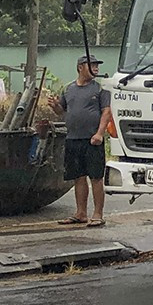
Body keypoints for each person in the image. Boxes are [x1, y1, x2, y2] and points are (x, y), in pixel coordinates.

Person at [48, 55, 111, 227]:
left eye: (97, 65)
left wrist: (99, 134)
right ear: (80, 67)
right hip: (73, 138)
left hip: (92, 139)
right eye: (92, 65)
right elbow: (61, 111)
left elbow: (106, 112)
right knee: (78, 177)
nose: (96, 68)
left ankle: (98, 214)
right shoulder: (68, 89)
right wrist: (55, 105)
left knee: (96, 177)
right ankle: (80, 213)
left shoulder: (100, 89)